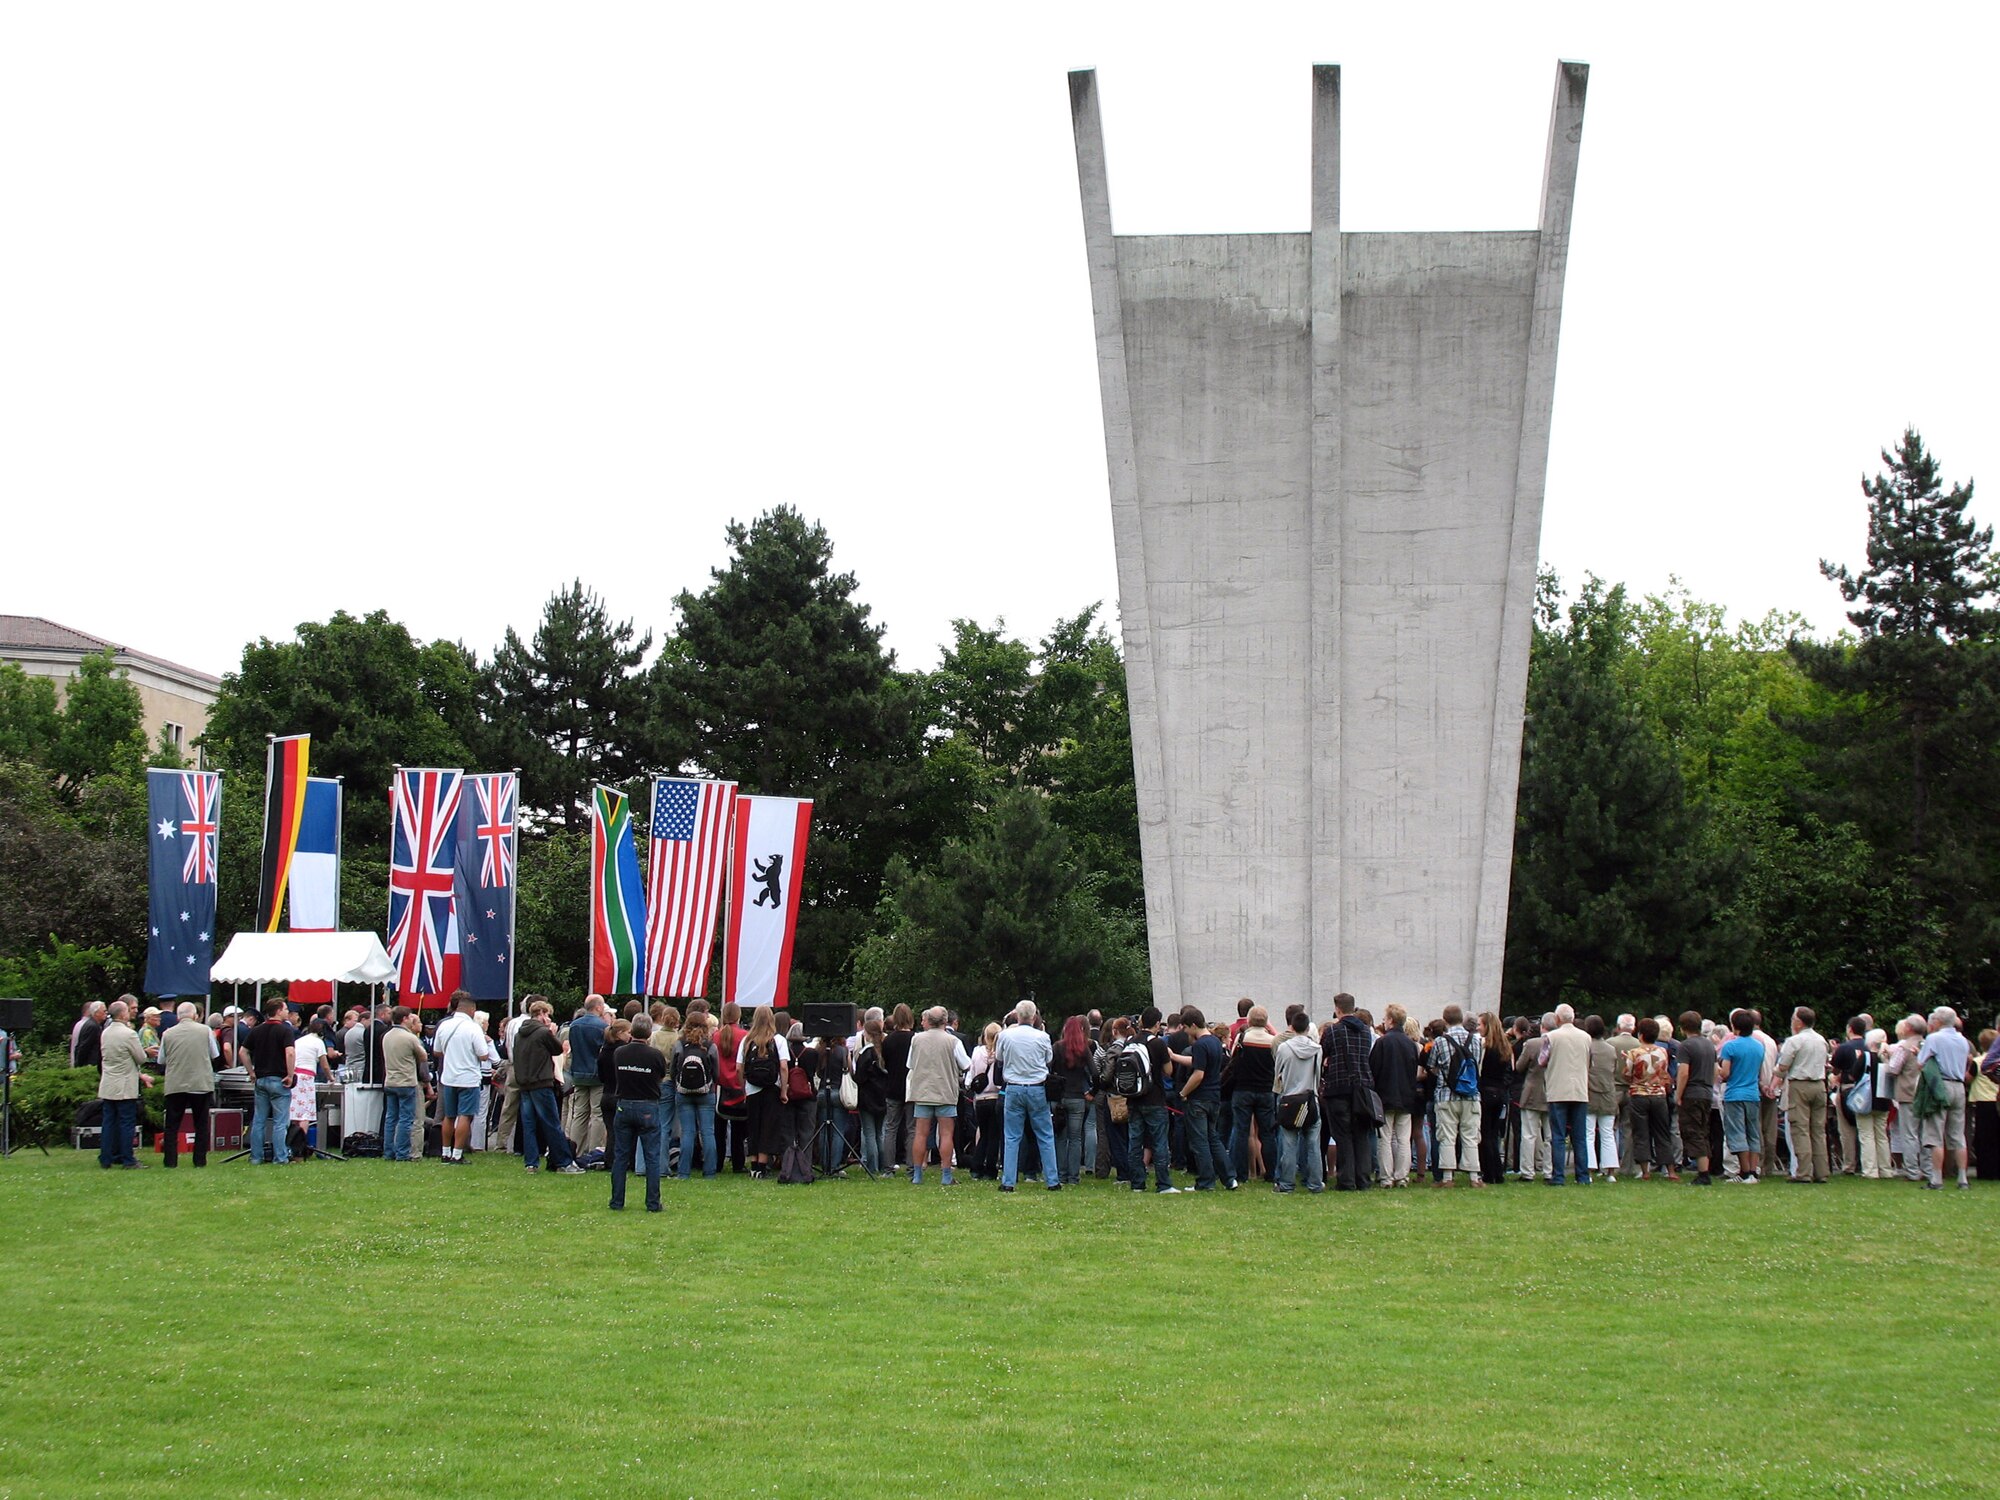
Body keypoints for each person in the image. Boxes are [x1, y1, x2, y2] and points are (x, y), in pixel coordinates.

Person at [996, 1000, 1062, 1192]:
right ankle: (1052, 1180)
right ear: (1034, 1017)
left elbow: (999, 1058)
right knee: (1045, 1134)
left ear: (1016, 1016)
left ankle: (1008, 1181)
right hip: (1037, 1088)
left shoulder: (1005, 1036)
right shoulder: (1042, 1037)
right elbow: (1048, 1059)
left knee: (1012, 1135)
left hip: (1014, 1087)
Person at [513, 999, 583, 1174]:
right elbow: (557, 1050)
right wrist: (552, 1032)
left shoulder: (519, 1034)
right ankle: (564, 1162)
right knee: (551, 1123)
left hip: (524, 1083)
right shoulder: (543, 1033)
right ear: (542, 1014)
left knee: (529, 1124)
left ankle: (531, 1163)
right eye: (547, 1015)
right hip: (541, 1082)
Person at [904, 1007, 970, 1186]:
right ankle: (946, 1175)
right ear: (945, 1021)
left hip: (922, 1091)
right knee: (946, 1134)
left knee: (920, 1133)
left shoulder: (916, 1039)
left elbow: (910, 1064)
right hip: (945, 1092)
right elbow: (966, 1064)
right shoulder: (953, 1041)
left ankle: (917, 1175)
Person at [609, 1015, 667, 1211]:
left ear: (631, 1031)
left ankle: (617, 1201)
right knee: (652, 1157)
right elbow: (660, 1076)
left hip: (624, 1104)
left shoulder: (619, 1053)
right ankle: (652, 1202)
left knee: (621, 1156)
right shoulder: (655, 1055)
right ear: (650, 1033)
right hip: (648, 1106)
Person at [432, 993, 494, 1163]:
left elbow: (436, 1052)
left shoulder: (444, 1026)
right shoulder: (473, 1028)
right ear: (471, 1010)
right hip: (468, 1078)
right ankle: (457, 1153)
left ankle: (445, 1152)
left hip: (448, 1077)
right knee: (465, 1116)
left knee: (449, 1116)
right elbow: (483, 1055)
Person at [1914, 1006, 1971, 1190]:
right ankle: (1963, 1178)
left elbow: (1921, 1063)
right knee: (1957, 1134)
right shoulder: (1963, 1041)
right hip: (1959, 1086)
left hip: (1941, 1085)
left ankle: (1936, 1179)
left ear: (1937, 1021)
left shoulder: (1934, 1038)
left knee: (1935, 1134)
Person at [1428, 1004, 1484, 1188]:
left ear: (1445, 1020)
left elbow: (1432, 1066)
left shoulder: (1440, 1042)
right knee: (1470, 1135)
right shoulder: (1475, 1041)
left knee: (1447, 1136)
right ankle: (1474, 1176)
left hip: (1446, 1094)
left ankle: (1447, 1177)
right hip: (1471, 1094)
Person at [1321, 992, 1373, 1191]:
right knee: (1361, 1134)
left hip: (1339, 1086)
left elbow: (1324, 1052)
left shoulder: (1334, 1031)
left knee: (1342, 1135)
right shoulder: (1366, 1031)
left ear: (1338, 1009)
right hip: (1363, 1087)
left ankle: (1346, 1180)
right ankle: (1363, 1178)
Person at [1168, 1007, 1223, 1191]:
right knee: (1213, 1138)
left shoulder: (1199, 1045)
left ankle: (1206, 1181)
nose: (1184, 1032)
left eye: (1185, 1027)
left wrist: (1183, 1093)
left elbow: (1198, 1073)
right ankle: (1229, 1177)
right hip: (1215, 1097)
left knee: (1200, 1142)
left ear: (1193, 1025)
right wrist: (1175, 1057)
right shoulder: (1215, 1041)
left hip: (1199, 1099)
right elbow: (1198, 1062)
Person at [1774, 1006, 1831, 1183]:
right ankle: (1822, 1171)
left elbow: (1783, 1066)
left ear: (1798, 1022)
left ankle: (1803, 1172)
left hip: (1800, 1085)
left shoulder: (1794, 1041)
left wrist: (1776, 1073)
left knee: (1800, 1129)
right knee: (1818, 1130)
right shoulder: (1821, 1040)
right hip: (1819, 1085)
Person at [1271, 1007, 1324, 1193]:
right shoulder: (1317, 1049)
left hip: (1289, 1099)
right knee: (1313, 1145)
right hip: (1310, 1098)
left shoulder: (1284, 1048)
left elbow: (1278, 1073)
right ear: (1308, 1028)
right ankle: (1316, 1183)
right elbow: (1318, 1074)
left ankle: (1286, 1184)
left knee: (1289, 1144)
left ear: (1292, 1027)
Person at [95, 999, 153, 1168]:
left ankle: (106, 1158)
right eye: (127, 1011)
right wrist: (147, 1052)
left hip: (108, 1083)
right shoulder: (129, 1034)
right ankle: (128, 1158)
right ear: (122, 1014)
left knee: (108, 1122)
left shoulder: (105, 1032)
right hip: (125, 1084)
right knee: (126, 1122)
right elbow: (140, 1058)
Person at [237, 997, 294, 1165]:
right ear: (278, 1011)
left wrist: (251, 1072)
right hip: (279, 1079)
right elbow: (290, 1053)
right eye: (285, 1009)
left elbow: (242, 1052)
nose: (287, 1012)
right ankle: (280, 1157)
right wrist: (290, 1075)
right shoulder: (285, 1031)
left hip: (260, 1080)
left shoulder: (256, 1030)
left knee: (259, 1120)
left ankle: (256, 1156)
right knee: (280, 1122)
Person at [157, 1002, 214, 1168]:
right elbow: (214, 1053)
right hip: (200, 1082)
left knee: (172, 1125)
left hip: (176, 1083)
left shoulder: (168, 1033)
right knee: (201, 1124)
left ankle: (170, 1161)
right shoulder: (205, 1031)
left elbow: (161, 1059)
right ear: (195, 1015)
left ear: (178, 1016)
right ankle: (200, 1160)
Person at [1225, 1007, 1277, 1189]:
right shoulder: (1273, 1041)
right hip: (1266, 1090)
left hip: (1243, 1089)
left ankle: (1241, 1173)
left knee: (1241, 1131)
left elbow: (1233, 1060)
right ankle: (1271, 1172)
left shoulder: (1242, 1038)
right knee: (1268, 1133)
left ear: (1249, 1020)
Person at [1541, 1004, 1591, 1186]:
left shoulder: (1550, 1037)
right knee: (1579, 1137)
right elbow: (1589, 1061)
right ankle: (1583, 1176)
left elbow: (1542, 1060)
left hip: (1557, 1089)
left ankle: (1559, 1176)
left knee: (1558, 1136)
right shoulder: (1586, 1037)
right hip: (1579, 1090)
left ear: (1557, 1018)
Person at [1369, 1004, 1419, 1188]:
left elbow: (1373, 1069)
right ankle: (1402, 1176)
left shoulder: (1382, 1042)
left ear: (1390, 1020)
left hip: (1385, 1096)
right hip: (1406, 1096)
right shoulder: (1411, 1044)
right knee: (1404, 1139)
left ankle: (1386, 1177)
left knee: (1385, 1138)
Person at [736, 1006, 788, 1178]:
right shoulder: (778, 1040)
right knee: (768, 1127)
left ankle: (753, 1164)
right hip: (772, 1088)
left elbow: (738, 1068)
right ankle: (762, 1165)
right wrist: (784, 1090)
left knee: (753, 1127)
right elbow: (783, 1066)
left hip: (752, 1089)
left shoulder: (747, 1040)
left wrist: (743, 1087)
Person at [1618, 1018, 1673, 1180]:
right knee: (1662, 1132)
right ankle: (1670, 1170)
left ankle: (1645, 1170)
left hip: (1639, 1095)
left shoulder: (1635, 1053)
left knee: (1641, 1133)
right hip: (1658, 1095)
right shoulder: (1663, 1052)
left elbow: (1627, 1075)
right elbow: (1663, 1072)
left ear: (1640, 1035)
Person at [1716, 1010, 1766, 1184]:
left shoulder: (1730, 1046)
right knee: (1753, 1132)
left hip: (1734, 1094)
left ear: (1734, 1027)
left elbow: (1725, 1074)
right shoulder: (1759, 1046)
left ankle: (1744, 1172)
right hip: (1753, 1094)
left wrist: (1717, 1067)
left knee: (1737, 1133)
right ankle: (1753, 1171)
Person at [671, 1012, 721, 1179]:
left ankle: (683, 1172)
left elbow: (673, 1070)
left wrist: (677, 1083)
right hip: (706, 1092)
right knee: (707, 1132)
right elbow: (716, 1072)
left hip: (683, 1092)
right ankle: (710, 1172)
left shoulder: (680, 1044)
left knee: (687, 1133)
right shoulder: (710, 1045)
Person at [1054, 1015, 1098, 1187]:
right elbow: (1095, 1073)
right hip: (1078, 1096)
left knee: (1060, 1138)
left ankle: (1061, 1175)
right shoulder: (1083, 1048)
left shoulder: (1057, 1047)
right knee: (1075, 1138)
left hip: (1060, 1096)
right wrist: (1092, 1092)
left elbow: (1050, 1070)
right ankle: (1074, 1177)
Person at [381, 1007, 430, 1162]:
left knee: (391, 1119)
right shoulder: (410, 1038)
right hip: (406, 1081)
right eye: (409, 1017)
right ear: (404, 1019)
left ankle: (389, 1151)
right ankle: (402, 1153)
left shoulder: (386, 1036)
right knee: (406, 1119)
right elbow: (423, 1056)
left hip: (390, 1081)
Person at [1672, 1012, 1716, 1185]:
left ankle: (1703, 1173)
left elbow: (1683, 1073)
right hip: (1706, 1092)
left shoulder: (1686, 1046)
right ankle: (1705, 1169)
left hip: (1692, 1093)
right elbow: (1716, 1070)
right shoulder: (1709, 1045)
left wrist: (1679, 1095)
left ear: (1682, 1028)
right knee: (1703, 1131)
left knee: (1693, 1131)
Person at [565, 995, 610, 1157]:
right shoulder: (603, 1027)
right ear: (598, 1007)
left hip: (578, 1073)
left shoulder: (574, 1026)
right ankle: (595, 1151)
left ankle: (575, 1150)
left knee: (580, 1113)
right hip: (596, 1074)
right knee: (597, 1114)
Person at [1884, 1015, 1926, 1180]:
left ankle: (1912, 1171)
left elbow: (1893, 1069)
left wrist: (1886, 1058)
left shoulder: (1905, 1047)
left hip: (1908, 1093)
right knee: (1925, 1134)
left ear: (1908, 1028)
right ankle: (1928, 1169)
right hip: (1925, 1094)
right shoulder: (1927, 1044)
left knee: (1909, 1134)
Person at [1513, 1016, 1552, 1181]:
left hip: (1532, 1091)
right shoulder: (1559, 1043)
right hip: (1552, 1091)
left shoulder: (1531, 1044)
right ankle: (1549, 1171)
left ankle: (1527, 1172)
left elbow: (1519, 1067)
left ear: (1542, 1026)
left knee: (1528, 1134)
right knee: (1550, 1135)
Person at [1581, 1015, 1620, 1183]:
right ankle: (1610, 1171)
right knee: (1607, 1134)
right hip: (1608, 1093)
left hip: (1589, 1093)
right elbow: (1615, 1069)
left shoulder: (1586, 1047)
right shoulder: (1610, 1048)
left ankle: (1588, 1170)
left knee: (1588, 1134)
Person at [1476, 1013, 1513, 1185]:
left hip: (1486, 1092)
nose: (1478, 1028)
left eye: (1480, 1025)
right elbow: (1509, 1073)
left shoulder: (1485, 1047)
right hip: (1500, 1094)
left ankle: (1489, 1171)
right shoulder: (1506, 1046)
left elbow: (1479, 1070)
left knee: (1486, 1134)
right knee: (1494, 1134)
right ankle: (1497, 1171)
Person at [879, 1004, 916, 1173]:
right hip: (911, 1088)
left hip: (892, 1086)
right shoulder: (915, 1039)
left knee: (890, 1128)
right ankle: (911, 1166)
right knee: (912, 1129)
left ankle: (888, 1167)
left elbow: (885, 1062)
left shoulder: (888, 1040)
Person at [853, 1017, 891, 1177]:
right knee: (880, 1132)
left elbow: (860, 1077)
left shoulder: (866, 1053)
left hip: (867, 1097)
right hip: (883, 1096)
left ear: (867, 1034)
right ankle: (883, 1164)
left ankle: (873, 1166)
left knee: (869, 1132)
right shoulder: (885, 1051)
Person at [965, 1023, 1004, 1180]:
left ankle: (976, 1166)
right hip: (996, 1096)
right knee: (994, 1135)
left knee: (983, 1133)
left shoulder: (977, 1052)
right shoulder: (1000, 1055)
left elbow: (971, 1074)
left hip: (980, 1098)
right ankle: (990, 1169)